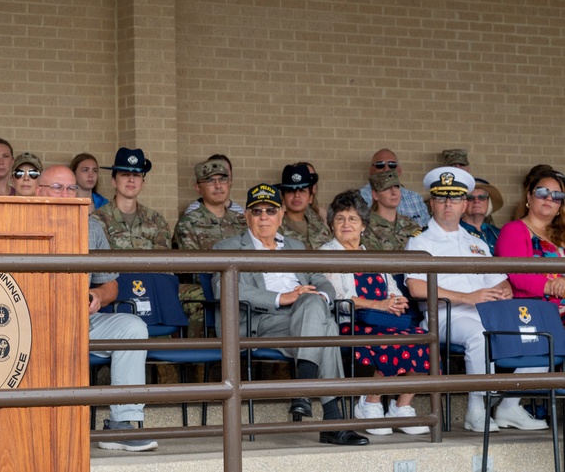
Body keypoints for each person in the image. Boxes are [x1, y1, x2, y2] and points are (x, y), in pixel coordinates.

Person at [213, 184, 368, 446]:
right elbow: (225, 289)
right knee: (326, 327)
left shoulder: (295, 245)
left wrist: (320, 296)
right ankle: (331, 419)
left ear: (281, 215)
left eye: (271, 210)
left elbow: (322, 282)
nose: (264, 216)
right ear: (247, 216)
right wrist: (280, 298)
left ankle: (304, 394)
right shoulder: (227, 246)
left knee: (315, 307)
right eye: (257, 211)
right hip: (259, 320)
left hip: (300, 317)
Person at [405, 167, 547, 432]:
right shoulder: (420, 241)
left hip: (485, 313)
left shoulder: (477, 243)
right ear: (432, 203)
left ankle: (509, 407)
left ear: (463, 205)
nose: (448, 204)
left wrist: (504, 289)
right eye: (442, 198)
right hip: (446, 317)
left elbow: (498, 279)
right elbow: (415, 287)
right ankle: (476, 410)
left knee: (537, 334)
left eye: (455, 198)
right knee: (479, 334)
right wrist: (466, 297)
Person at [37, 165, 156, 452]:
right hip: (34, 321)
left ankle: (121, 425)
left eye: (70, 188)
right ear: (39, 190)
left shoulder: (91, 226)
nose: (66, 194)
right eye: (57, 188)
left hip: (82, 320)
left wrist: (97, 295)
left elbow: (111, 285)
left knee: (132, 326)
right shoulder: (20, 221)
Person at [320, 190, 430, 436]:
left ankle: (401, 407)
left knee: (424, 339)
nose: (346, 224)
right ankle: (369, 402)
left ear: (363, 226)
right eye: (340, 219)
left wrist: (397, 301)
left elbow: (391, 290)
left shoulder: (371, 254)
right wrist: (378, 305)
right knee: (391, 340)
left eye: (352, 219)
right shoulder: (327, 254)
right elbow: (337, 299)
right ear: (331, 225)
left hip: (382, 320)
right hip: (348, 323)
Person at [495, 168, 565, 321]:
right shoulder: (513, 230)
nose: (549, 199)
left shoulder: (562, 234)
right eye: (542, 192)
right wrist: (558, 288)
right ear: (529, 197)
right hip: (533, 312)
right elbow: (519, 274)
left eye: (557, 196)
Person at [90, 148, 170, 250]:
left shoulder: (156, 220)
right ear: (114, 181)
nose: (131, 180)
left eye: (136, 175)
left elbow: (163, 262)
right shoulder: (97, 219)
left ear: (143, 183)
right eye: (125, 174)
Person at [172, 159, 246, 251]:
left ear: (229, 183)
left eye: (223, 179)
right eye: (210, 181)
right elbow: (189, 263)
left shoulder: (242, 221)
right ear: (198, 188)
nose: (218, 185)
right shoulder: (188, 224)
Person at [358, 149, 430, 227]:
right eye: (380, 165)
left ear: (399, 170)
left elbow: (428, 231)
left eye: (392, 165)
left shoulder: (415, 198)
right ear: (371, 171)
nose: (386, 169)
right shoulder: (359, 198)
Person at [362, 170, 421, 251]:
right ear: (375, 195)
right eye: (387, 188)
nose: (394, 192)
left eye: (397, 187)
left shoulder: (411, 225)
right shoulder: (366, 226)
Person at [277, 163, 332, 249]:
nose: (296, 195)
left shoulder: (319, 225)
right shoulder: (274, 226)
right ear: (283, 198)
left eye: (302, 191)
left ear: (310, 198)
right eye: (291, 191)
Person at [461, 178, 504, 249]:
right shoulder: (455, 230)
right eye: (470, 197)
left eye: (482, 197)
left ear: (488, 202)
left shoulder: (496, 232)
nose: (476, 201)